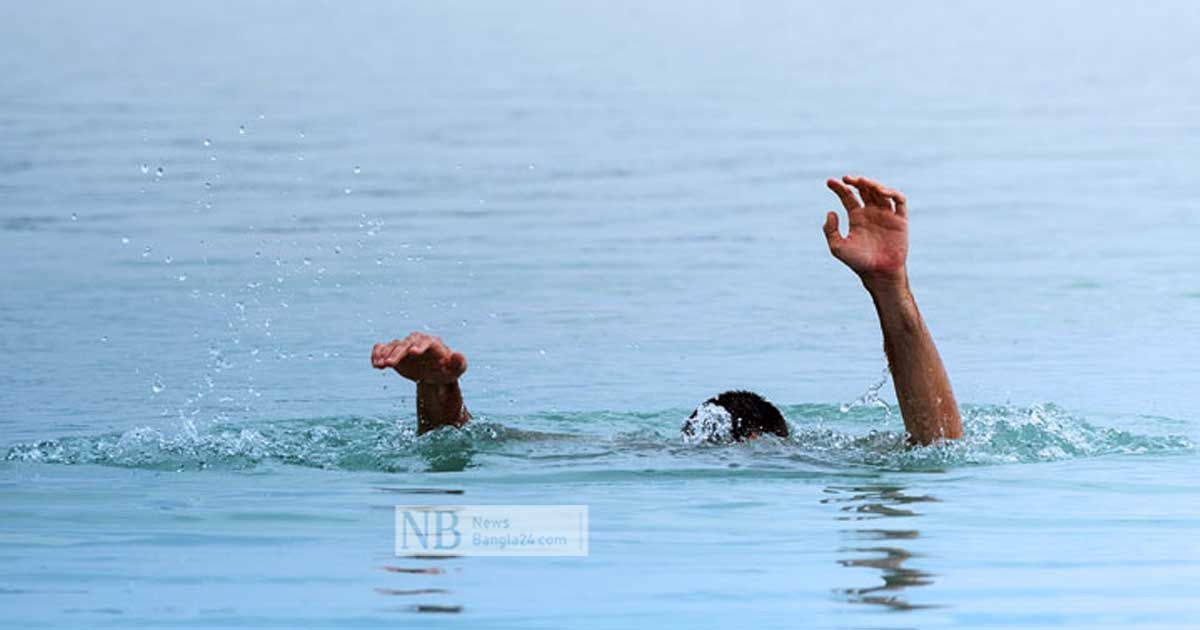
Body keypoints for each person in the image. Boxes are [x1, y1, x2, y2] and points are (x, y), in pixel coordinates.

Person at [370, 176, 963, 445]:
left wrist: (438, 394)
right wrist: (893, 293)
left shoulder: (632, 450)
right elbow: (938, 446)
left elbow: (468, 443)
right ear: (773, 443)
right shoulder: (812, 463)